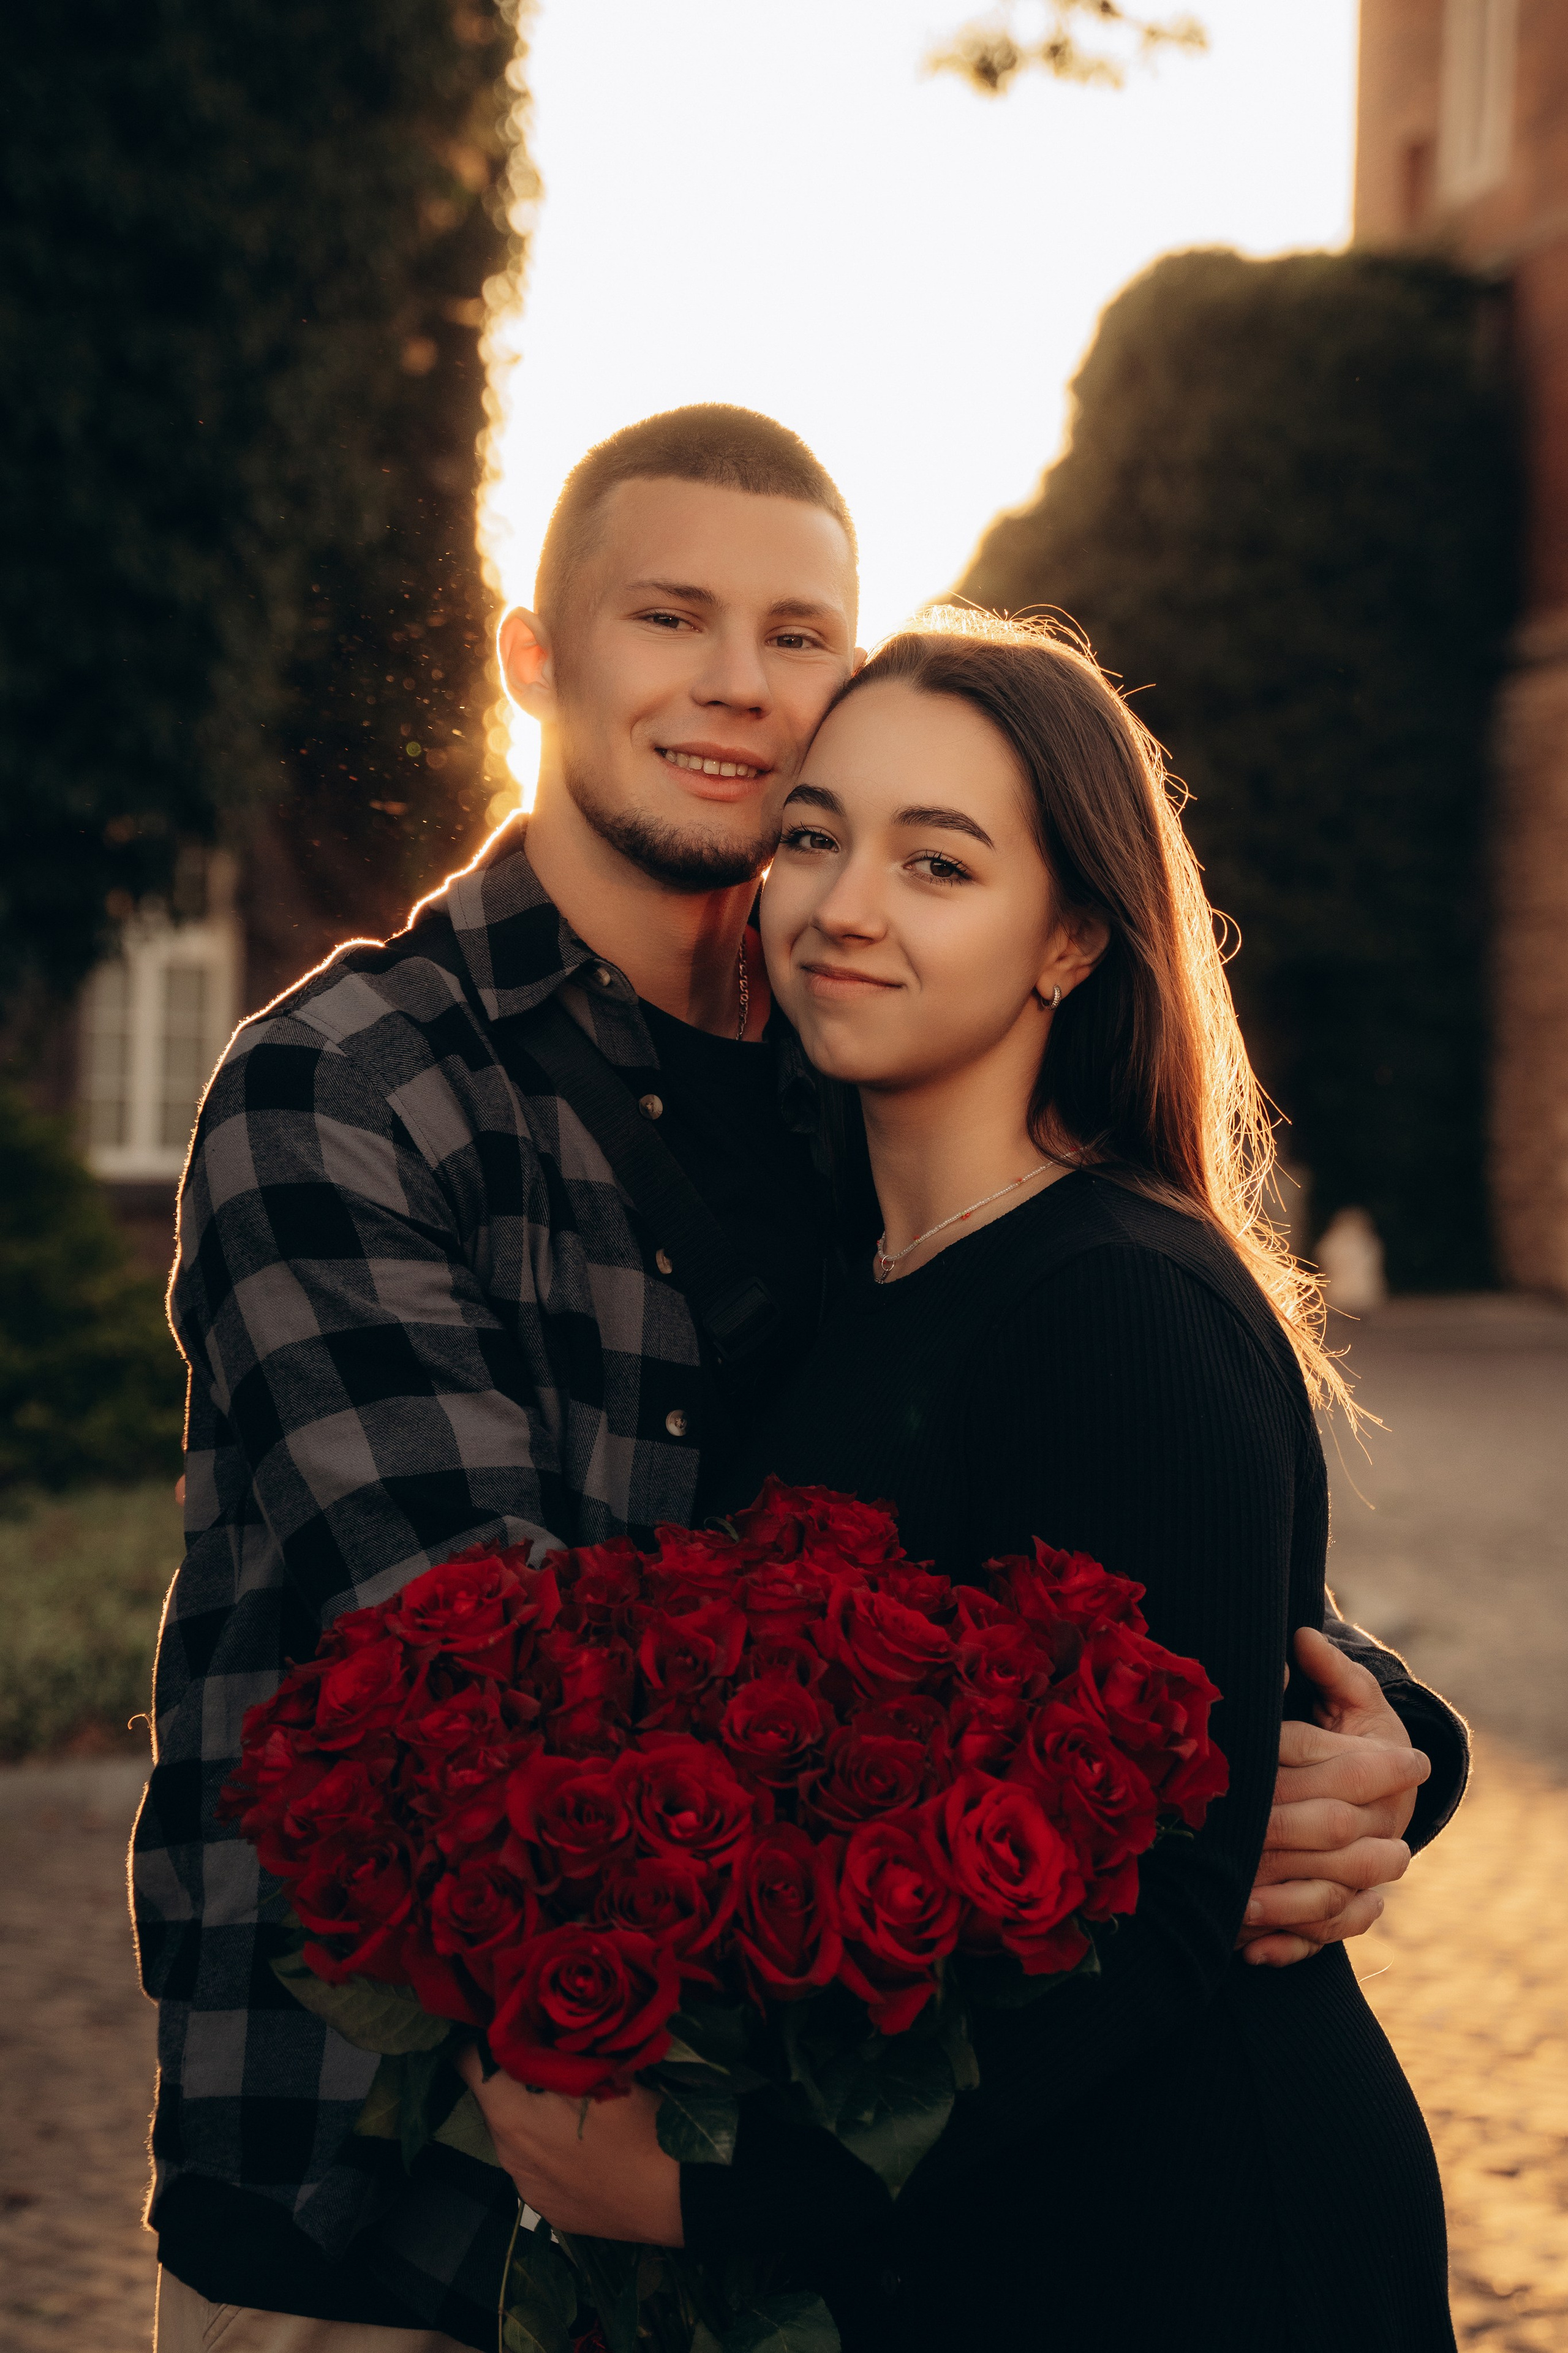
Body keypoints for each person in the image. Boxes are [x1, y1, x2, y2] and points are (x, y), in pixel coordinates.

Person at [136, 411, 1464, 2353]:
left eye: (799, 636)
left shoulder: (830, 1100)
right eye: (670, 616)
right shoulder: (361, 1083)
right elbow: (480, 1685)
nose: (739, 688)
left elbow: (1054, 1507)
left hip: (738, 2228)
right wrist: (1170, 1789)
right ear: (534, 661)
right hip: (386, 2204)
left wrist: (1357, 1734)